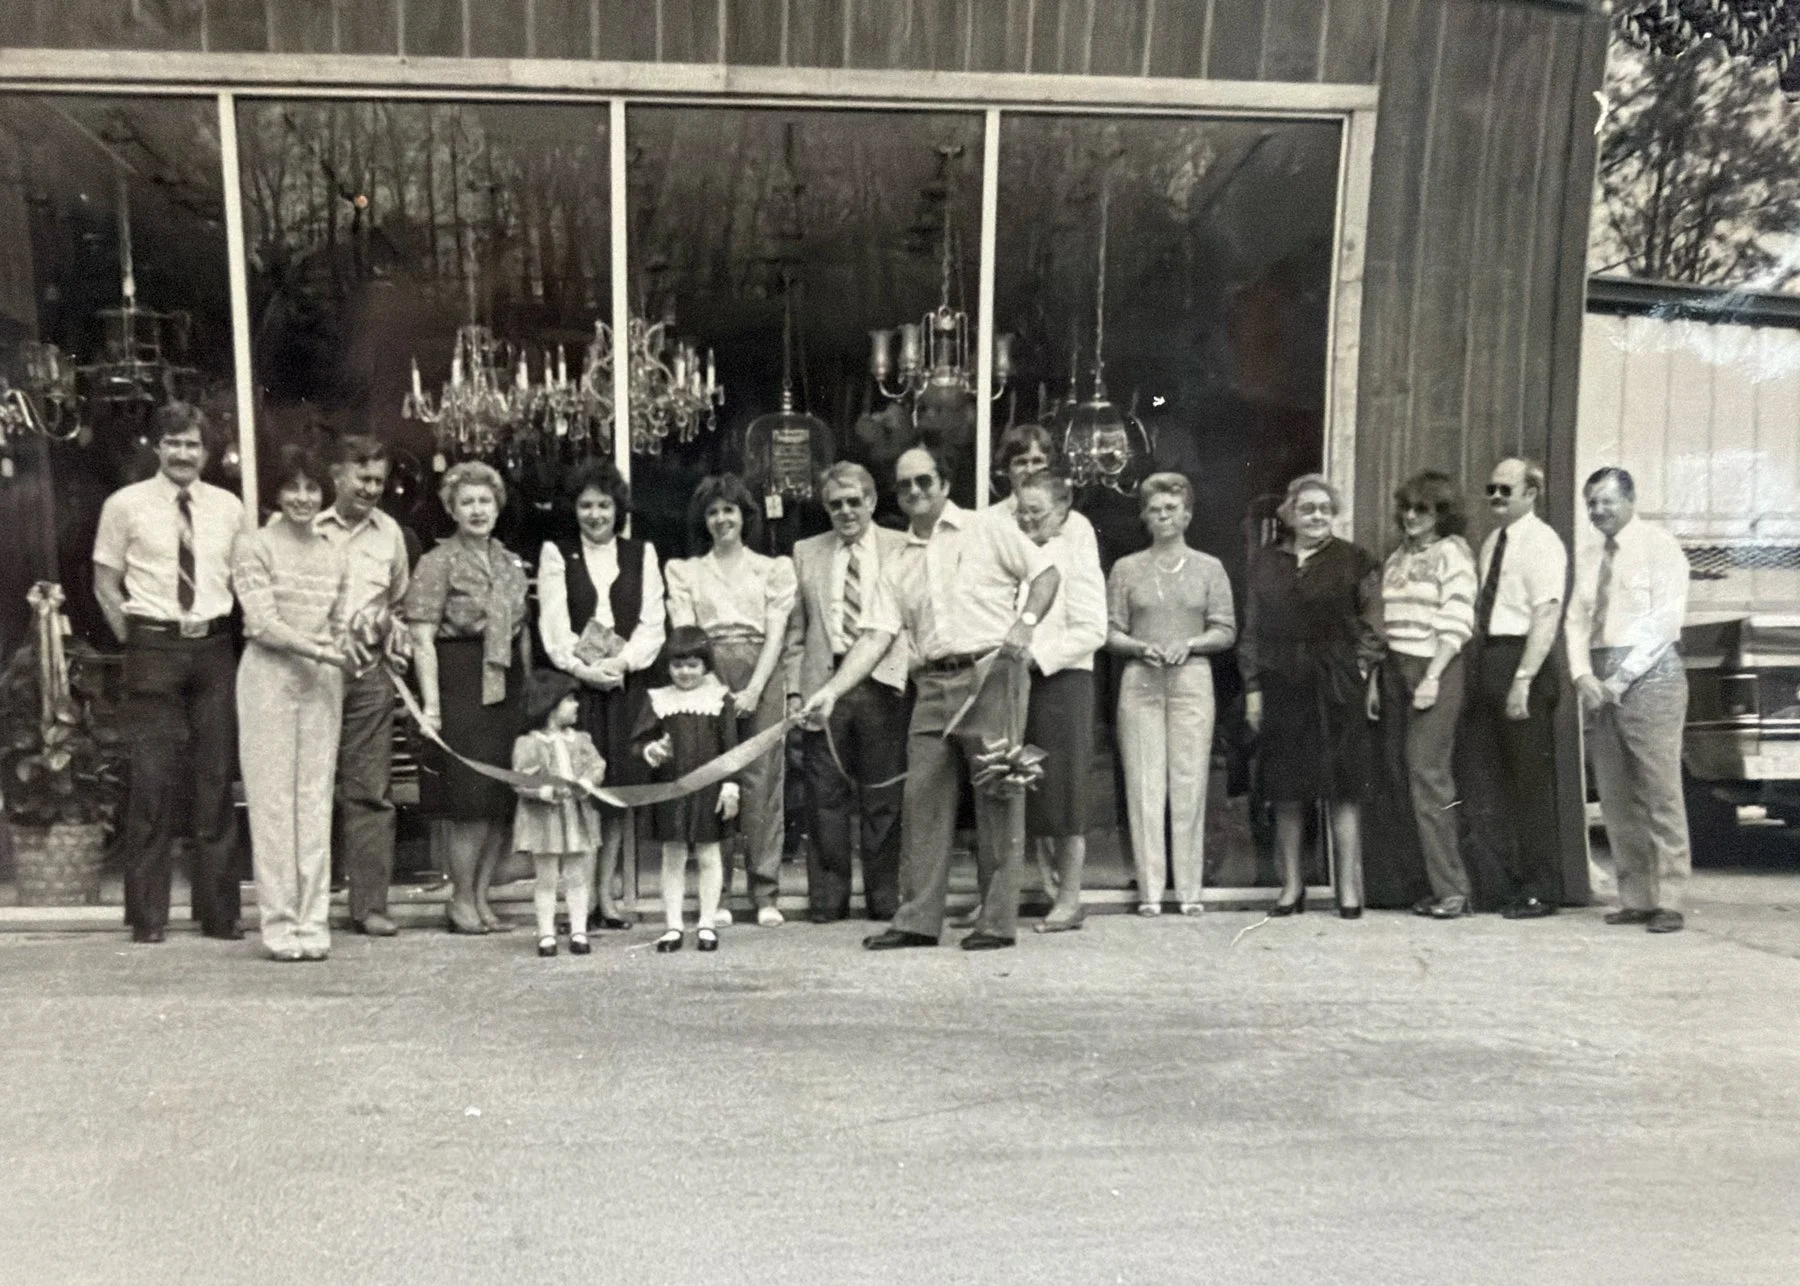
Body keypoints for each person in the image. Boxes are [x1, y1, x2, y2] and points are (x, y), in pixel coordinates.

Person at [804, 444, 1062, 952]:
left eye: (925, 481)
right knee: (921, 800)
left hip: (991, 673)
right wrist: (831, 692)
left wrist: (1025, 625)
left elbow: (1046, 574)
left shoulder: (986, 528)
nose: (916, 492)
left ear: (945, 484)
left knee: (997, 799)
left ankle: (995, 923)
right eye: (905, 485)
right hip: (930, 685)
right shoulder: (897, 560)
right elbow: (875, 635)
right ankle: (919, 920)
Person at [92, 401, 246, 945]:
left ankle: (220, 913)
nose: (184, 453)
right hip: (153, 645)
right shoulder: (125, 505)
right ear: (156, 447)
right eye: (173, 442)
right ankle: (148, 917)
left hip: (212, 646)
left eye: (193, 444)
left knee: (215, 780)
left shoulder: (229, 508)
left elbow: (245, 579)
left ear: (207, 452)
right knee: (152, 781)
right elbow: (105, 583)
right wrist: (135, 637)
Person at [1242, 473, 1383, 919]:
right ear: (1290, 514)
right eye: (1307, 508)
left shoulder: (1355, 560)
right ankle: (1291, 887)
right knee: (1286, 790)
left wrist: (1359, 668)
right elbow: (1252, 630)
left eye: (1324, 508)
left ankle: (1347, 890)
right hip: (1282, 681)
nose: (1317, 516)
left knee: (1343, 788)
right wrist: (1252, 690)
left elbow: (1374, 622)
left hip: (1336, 683)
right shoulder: (1265, 562)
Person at [232, 446, 350, 962]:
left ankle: (313, 921)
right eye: (292, 488)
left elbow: (342, 621)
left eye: (311, 488)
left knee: (315, 802)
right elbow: (260, 622)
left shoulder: (334, 551)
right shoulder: (254, 546)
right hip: (269, 679)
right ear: (276, 494)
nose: (302, 498)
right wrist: (319, 649)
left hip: (322, 683)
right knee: (273, 805)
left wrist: (350, 646)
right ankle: (279, 923)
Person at [537, 458, 666, 931]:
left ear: (618, 508)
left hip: (627, 686)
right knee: (579, 792)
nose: (595, 515)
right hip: (578, 691)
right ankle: (579, 896)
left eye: (604, 505)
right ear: (575, 509)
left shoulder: (642, 554)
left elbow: (653, 621)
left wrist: (622, 663)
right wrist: (583, 669)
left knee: (617, 793)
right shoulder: (557, 553)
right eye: (586, 505)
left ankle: (606, 894)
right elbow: (553, 626)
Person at [403, 461, 531, 935]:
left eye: (485, 501)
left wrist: (529, 695)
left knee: (499, 799)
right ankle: (460, 900)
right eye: (467, 502)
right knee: (469, 802)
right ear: (452, 509)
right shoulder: (436, 562)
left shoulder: (510, 563)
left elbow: (522, 633)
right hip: (460, 679)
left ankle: (481, 898)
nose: (477, 510)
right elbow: (420, 638)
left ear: (497, 507)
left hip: (505, 683)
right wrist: (432, 706)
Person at [665, 474, 796, 928]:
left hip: (760, 664)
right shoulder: (687, 571)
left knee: (762, 783)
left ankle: (765, 893)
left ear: (745, 516)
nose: (722, 519)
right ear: (705, 520)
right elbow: (686, 632)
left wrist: (757, 687)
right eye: (714, 511)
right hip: (706, 669)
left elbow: (777, 630)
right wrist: (713, 689)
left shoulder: (772, 568)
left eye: (730, 510)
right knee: (714, 777)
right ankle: (714, 893)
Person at [782, 462, 910, 923]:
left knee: (883, 795)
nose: (846, 511)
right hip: (825, 683)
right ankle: (828, 900)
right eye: (835, 504)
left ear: (872, 502)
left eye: (855, 501)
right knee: (824, 795)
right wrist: (796, 693)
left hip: (883, 684)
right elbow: (797, 632)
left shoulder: (901, 545)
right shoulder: (806, 552)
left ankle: (883, 898)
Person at [1105, 472, 1237, 917]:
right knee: (1144, 784)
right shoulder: (1126, 568)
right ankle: (1150, 892)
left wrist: (1191, 643)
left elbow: (1225, 629)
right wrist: (1140, 647)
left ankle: (1189, 891)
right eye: (1154, 509)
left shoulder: (1209, 567)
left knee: (1189, 780)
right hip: (1141, 679)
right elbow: (1109, 631)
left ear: (1188, 514)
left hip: (1191, 679)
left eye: (1171, 509)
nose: (1163, 516)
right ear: (1144, 516)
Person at [1567, 467, 1692, 934]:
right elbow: (1576, 620)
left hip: (1650, 673)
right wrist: (1581, 673)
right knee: (1616, 793)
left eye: (1607, 501)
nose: (1599, 511)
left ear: (1631, 499)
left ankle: (1672, 897)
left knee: (1658, 787)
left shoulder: (1659, 547)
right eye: (1592, 503)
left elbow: (1664, 622)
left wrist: (1619, 679)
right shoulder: (1587, 555)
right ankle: (1636, 897)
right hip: (1598, 675)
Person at [314, 433, 412, 938]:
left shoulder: (389, 532)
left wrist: (384, 638)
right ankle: (306, 904)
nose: (372, 488)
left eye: (379, 479)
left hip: (369, 677)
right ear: (336, 476)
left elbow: (397, 602)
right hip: (309, 673)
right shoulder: (306, 525)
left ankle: (369, 905)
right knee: (308, 790)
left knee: (371, 791)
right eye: (362, 477)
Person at [1370, 470, 1477, 920]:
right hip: (1395, 670)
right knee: (1399, 777)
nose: (1412, 517)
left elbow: (1457, 617)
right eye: (1408, 508)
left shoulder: (1452, 553)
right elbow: (1384, 625)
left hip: (1437, 666)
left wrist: (1432, 676)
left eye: (1424, 510)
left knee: (1428, 775)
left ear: (1441, 515)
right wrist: (1378, 680)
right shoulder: (1396, 558)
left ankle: (1454, 890)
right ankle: (1424, 886)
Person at [1468, 457, 1569, 919]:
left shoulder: (1543, 543)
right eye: (1491, 489)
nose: (1496, 498)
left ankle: (1541, 888)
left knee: (1529, 783)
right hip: (1489, 657)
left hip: (1522, 661)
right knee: (1493, 781)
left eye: (1506, 490)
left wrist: (1523, 680)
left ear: (1532, 493)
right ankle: (1507, 884)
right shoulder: (1492, 542)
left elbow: (1546, 616)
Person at [1012, 470, 1109, 932]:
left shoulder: (1076, 544)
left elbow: (1094, 628)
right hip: (1012, 680)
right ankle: (1011, 891)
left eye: (1037, 512)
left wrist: (1037, 658)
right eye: (1021, 510)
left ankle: (1069, 899)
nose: (1027, 519)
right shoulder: (1012, 545)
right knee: (1012, 783)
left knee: (1064, 791)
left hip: (1062, 681)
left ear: (1063, 510)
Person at [632, 626, 742, 954]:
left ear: (705, 665)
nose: (685, 672)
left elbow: (731, 747)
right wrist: (652, 750)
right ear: (667, 667)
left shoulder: (718, 698)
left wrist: (731, 787)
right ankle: (673, 925)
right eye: (678, 665)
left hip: (708, 791)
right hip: (671, 791)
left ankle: (707, 923)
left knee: (709, 854)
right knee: (673, 855)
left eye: (693, 665)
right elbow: (638, 743)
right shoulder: (658, 700)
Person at [510, 671, 608, 958]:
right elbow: (520, 779)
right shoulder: (528, 743)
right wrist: (544, 792)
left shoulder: (581, 739)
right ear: (549, 705)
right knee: (547, 877)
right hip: (545, 819)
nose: (576, 706)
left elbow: (596, 765)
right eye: (569, 701)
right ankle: (546, 934)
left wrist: (588, 783)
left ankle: (579, 930)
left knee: (577, 876)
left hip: (576, 815)